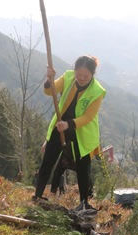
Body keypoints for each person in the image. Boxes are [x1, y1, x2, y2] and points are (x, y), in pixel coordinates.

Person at [33, 55, 106, 210]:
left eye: (86, 76)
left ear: (93, 74)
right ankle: (37, 196)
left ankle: (84, 203)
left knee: (83, 167)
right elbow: (49, 91)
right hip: (60, 126)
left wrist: (69, 125)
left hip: (82, 132)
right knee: (48, 161)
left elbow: (88, 117)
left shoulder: (97, 91)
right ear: (74, 71)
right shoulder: (68, 77)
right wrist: (49, 79)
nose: (81, 78)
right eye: (79, 74)